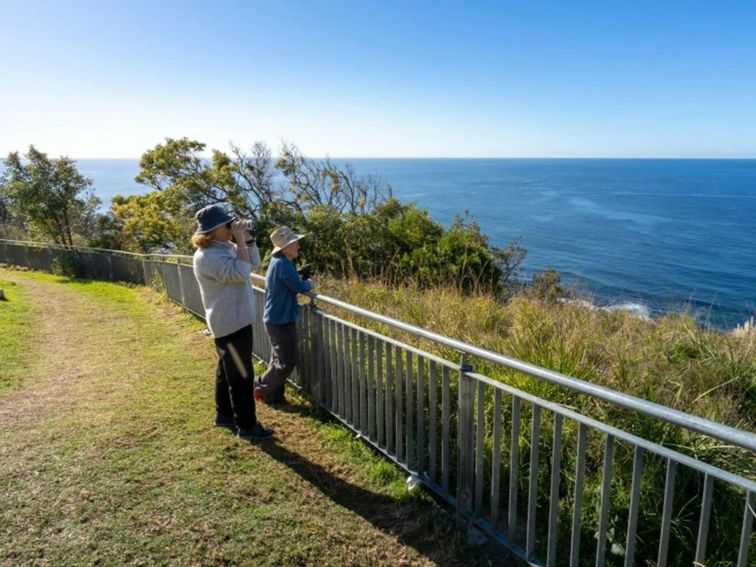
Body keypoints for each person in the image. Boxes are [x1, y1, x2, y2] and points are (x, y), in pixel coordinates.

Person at [191, 204, 273, 442]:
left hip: (234, 319)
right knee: (242, 376)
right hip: (230, 322)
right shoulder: (207, 256)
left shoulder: (222, 246)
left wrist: (247, 241)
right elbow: (241, 273)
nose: (231, 226)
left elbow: (253, 262)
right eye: (227, 225)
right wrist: (238, 239)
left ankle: (224, 414)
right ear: (213, 230)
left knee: (227, 372)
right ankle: (247, 427)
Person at [254, 226, 313, 405]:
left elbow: (289, 282)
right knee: (286, 362)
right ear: (286, 247)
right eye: (295, 243)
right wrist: (309, 282)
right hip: (280, 320)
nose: (298, 247)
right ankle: (259, 387)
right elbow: (299, 287)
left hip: (276, 317)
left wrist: (299, 276)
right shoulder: (283, 264)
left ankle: (273, 397)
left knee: (278, 360)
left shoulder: (279, 261)